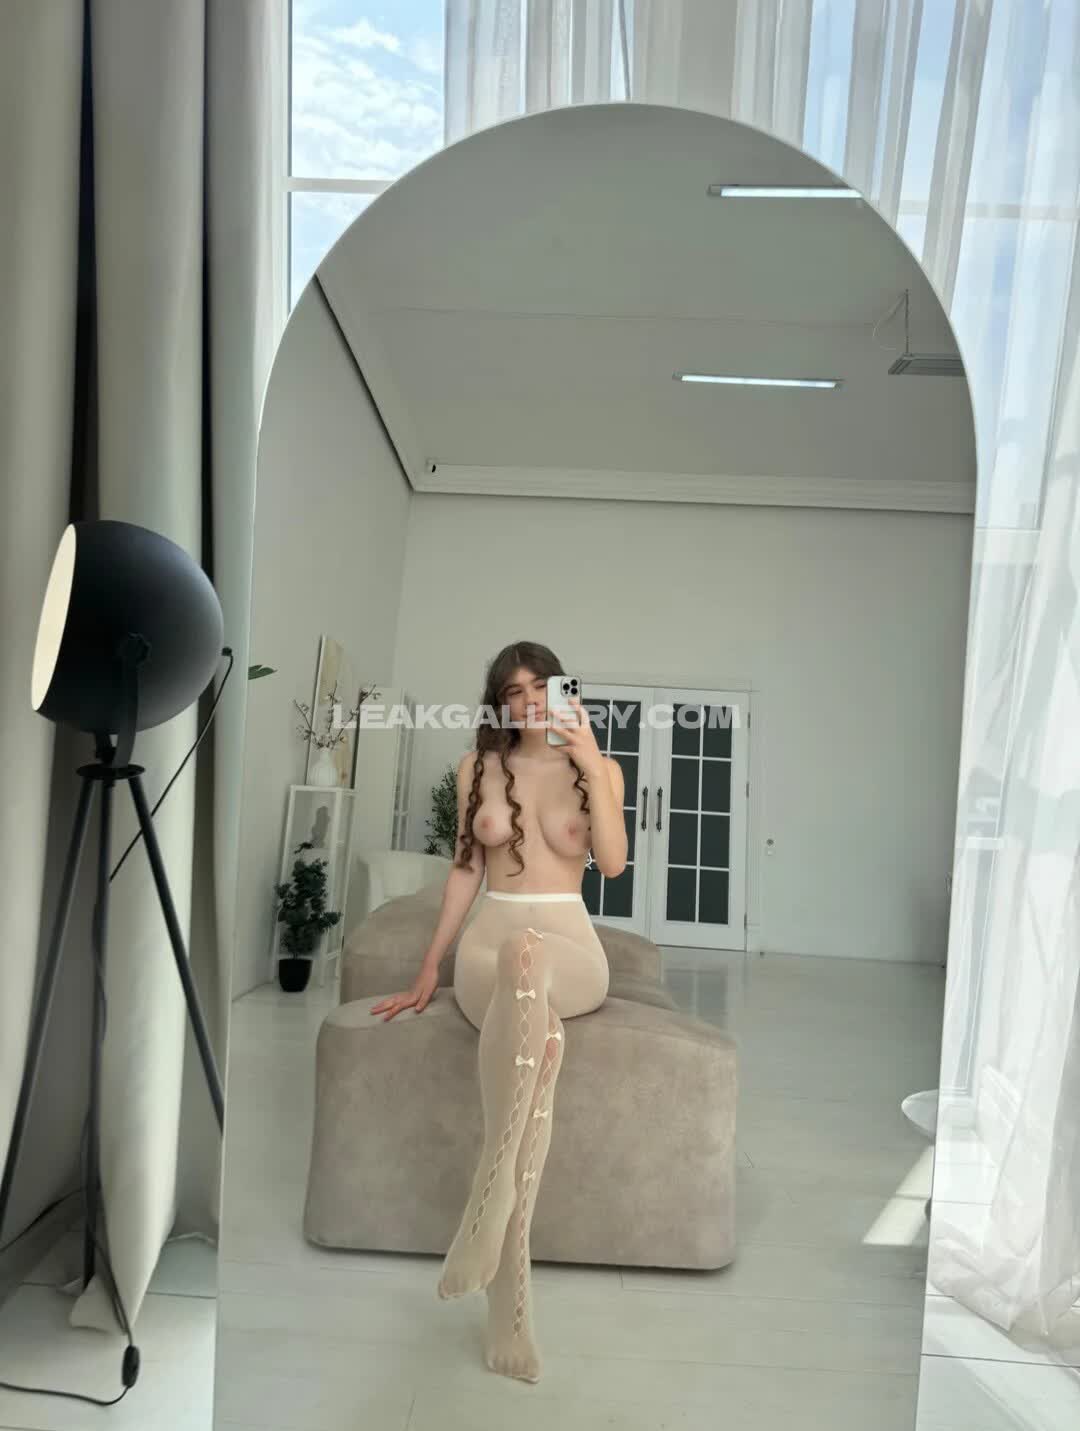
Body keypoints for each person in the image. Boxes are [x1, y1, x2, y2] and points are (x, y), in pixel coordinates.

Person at [370, 640, 627, 1383]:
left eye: (539, 686)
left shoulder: (599, 769)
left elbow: (612, 864)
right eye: (512, 691)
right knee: (538, 1026)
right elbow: (464, 871)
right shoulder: (476, 768)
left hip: (570, 948)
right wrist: (430, 965)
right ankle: (510, 1302)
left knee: (532, 954)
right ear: (499, 703)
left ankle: (487, 1197)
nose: (527, 702)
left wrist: (593, 761)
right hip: (491, 949)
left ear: (562, 691)